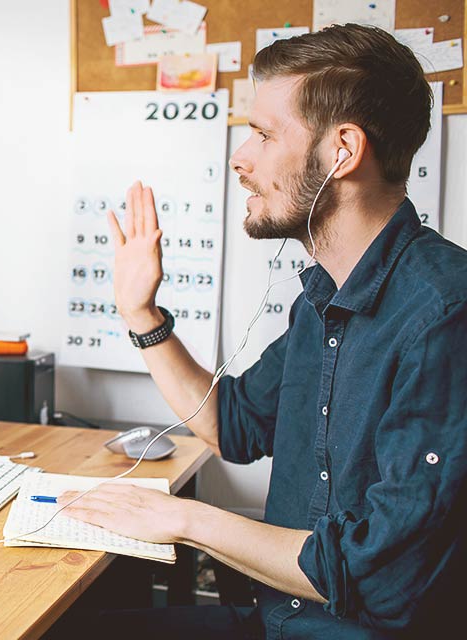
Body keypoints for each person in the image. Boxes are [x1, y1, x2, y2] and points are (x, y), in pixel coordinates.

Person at [56, 25, 467, 638]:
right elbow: (234, 424)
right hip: (280, 620)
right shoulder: (322, 301)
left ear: (342, 152)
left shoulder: (444, 314)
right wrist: (141, 314)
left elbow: (379, 574)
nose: (240, 157)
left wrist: (185, 520)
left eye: (264, 134)